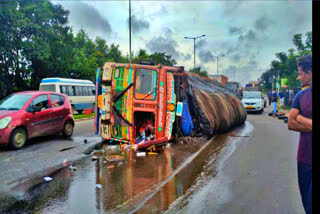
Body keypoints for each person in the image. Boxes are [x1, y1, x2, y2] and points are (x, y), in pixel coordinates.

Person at [288, 54, 312, 214]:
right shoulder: (300, 96)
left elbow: (296, 118)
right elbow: (290, 122)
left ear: (310, 72)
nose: (298, 76)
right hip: (304, 159)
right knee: (307, 204)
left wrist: (301, 118)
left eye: (301, 73)